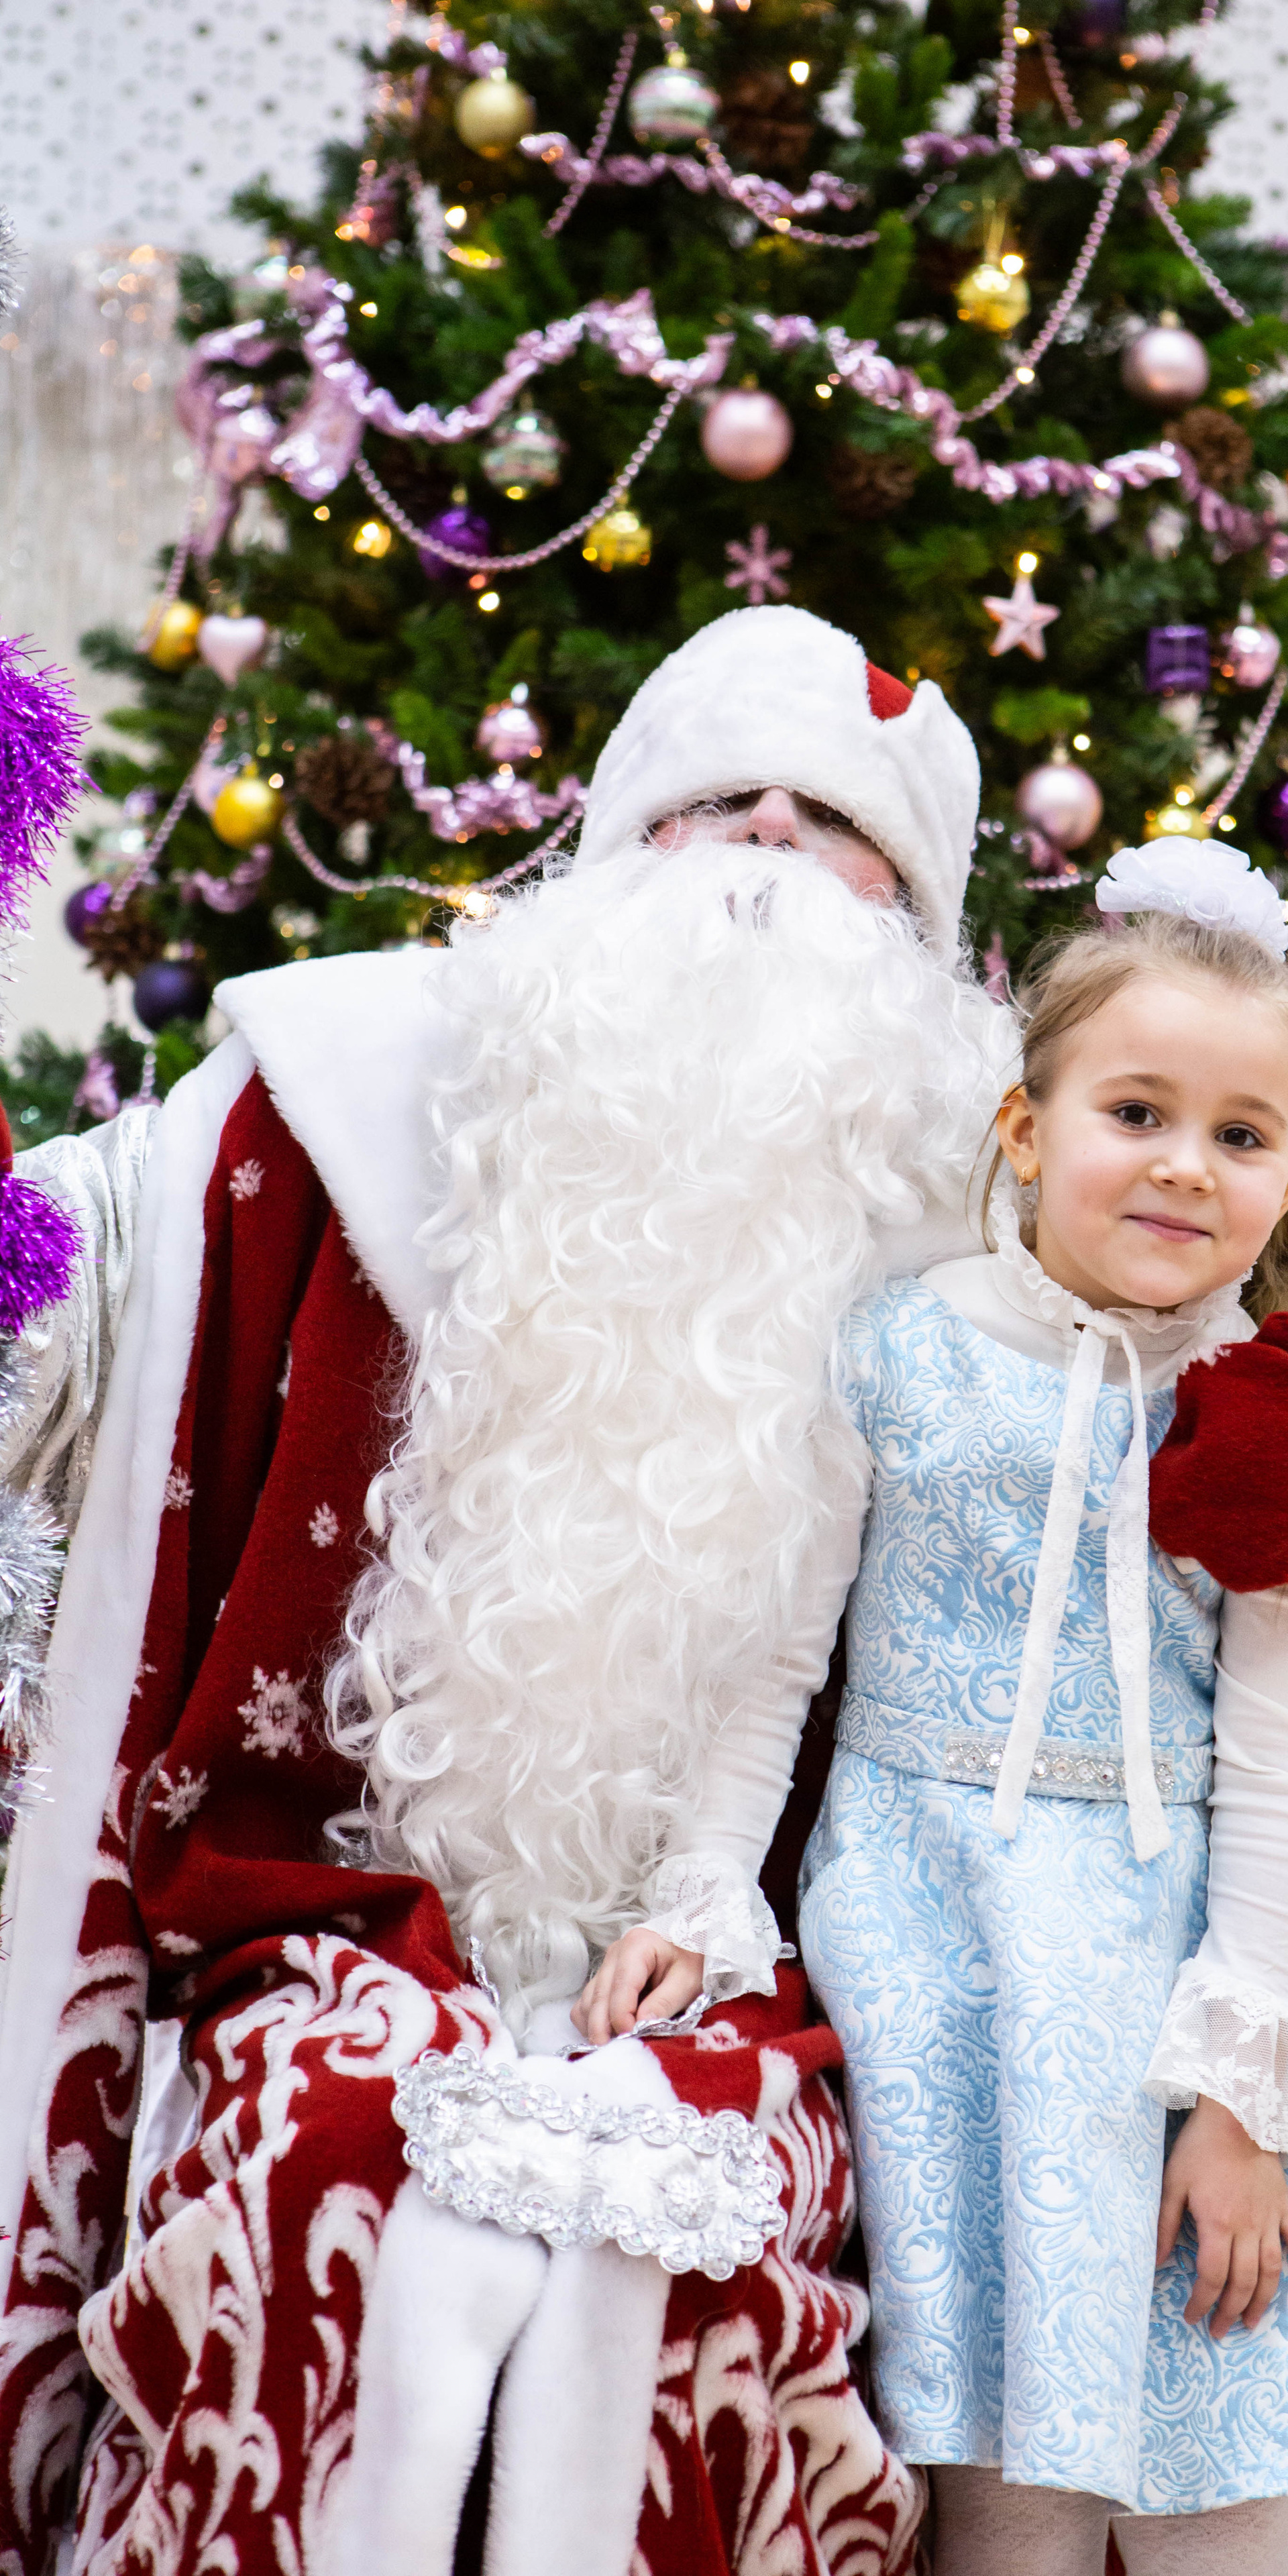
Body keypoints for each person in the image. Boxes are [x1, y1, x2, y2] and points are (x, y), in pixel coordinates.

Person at [0, 606, 1012, 2576]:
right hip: (333, 1911)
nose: (767, 853)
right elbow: (81, 1279)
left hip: (761, 1962)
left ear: (915, 909)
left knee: (699, 2251)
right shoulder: (352, 1087)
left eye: (835, 822)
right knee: (326, 2167)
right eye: (723, 799)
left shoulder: (975, 1223)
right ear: (621, 838)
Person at [785, 845, 1288, 2574]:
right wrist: (715, 1881)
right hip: (934, 1945)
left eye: (1243, 1136)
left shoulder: (1272, 1418)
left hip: (1182, 1963)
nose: (1185, 1165)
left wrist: (1238, 2102)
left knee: (1210, 2411)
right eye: (1139, 1111)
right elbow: (776, 1660)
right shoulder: (892, 1350)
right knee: (1000, 2467)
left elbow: (1275, 1777)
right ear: (1030, 1128)